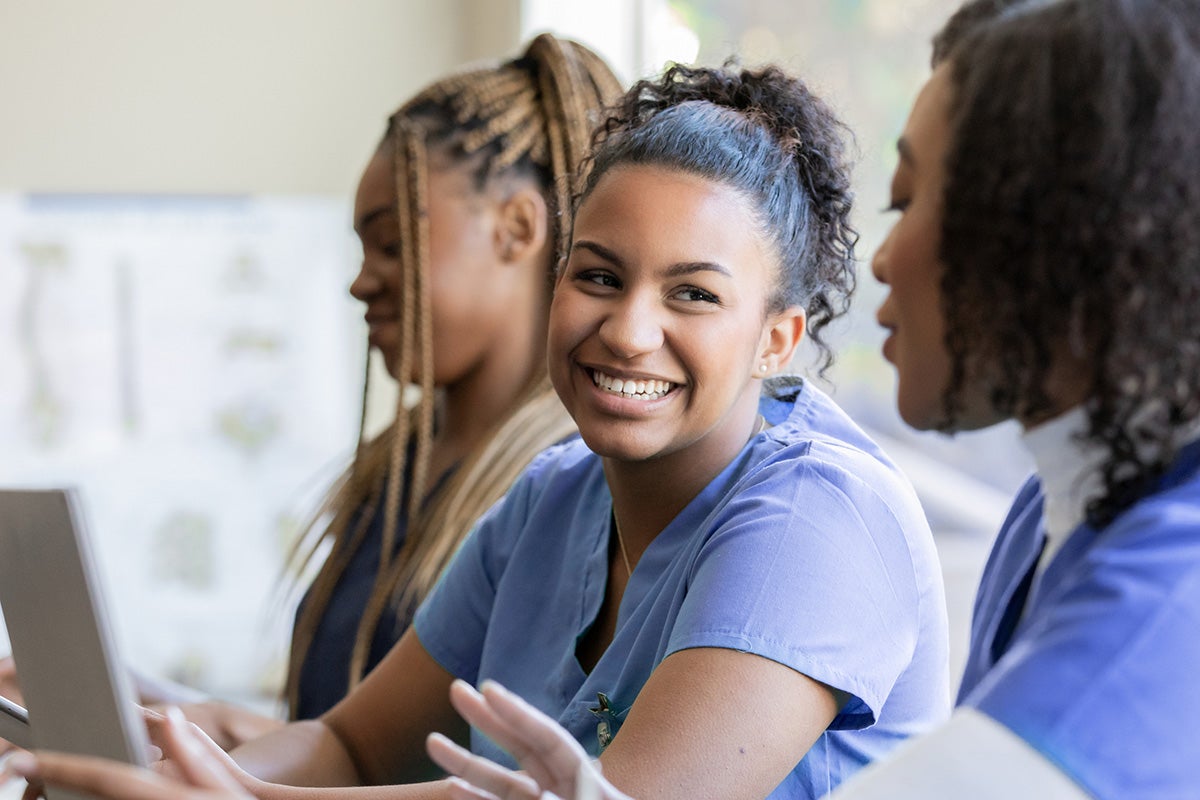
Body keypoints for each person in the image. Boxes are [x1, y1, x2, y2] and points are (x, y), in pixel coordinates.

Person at [8, 60, 952, 800]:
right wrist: (172, 770)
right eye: (597, 275)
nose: (627, 329)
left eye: (693, 294)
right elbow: (351, 744)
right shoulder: (553, 496)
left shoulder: (821, 519)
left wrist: (244, 798)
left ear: (777, 339)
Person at [389, 1, 1200, 798]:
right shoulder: (1044, 517)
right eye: (600, 275)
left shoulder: (1169, 590)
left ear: (1062, 236)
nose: (880, 261)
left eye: (913, 203)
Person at [0, 32, 622, 752]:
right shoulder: (392, 471)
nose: (361, 281)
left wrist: (217, 735)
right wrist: (158, 710)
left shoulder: (568, 486)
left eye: (391, 244)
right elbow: (333, 738)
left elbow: (442, 772)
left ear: (518, 227)